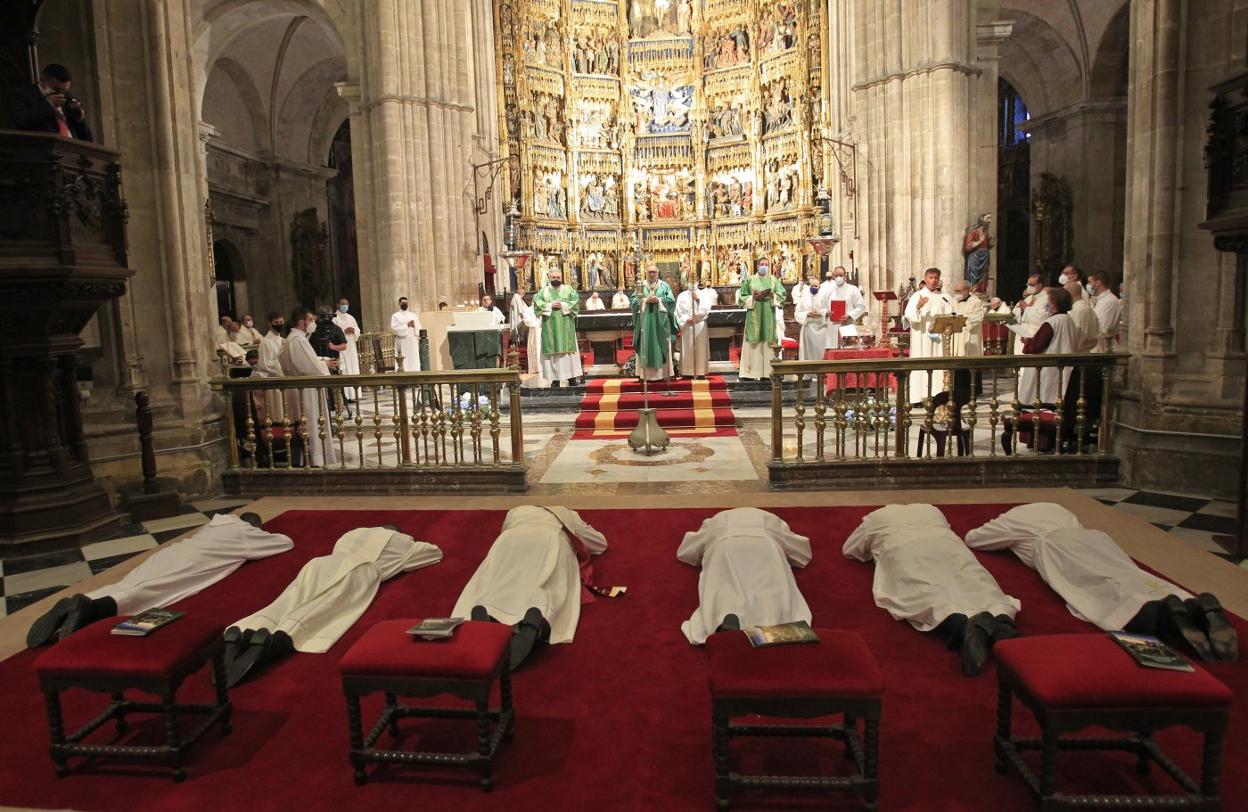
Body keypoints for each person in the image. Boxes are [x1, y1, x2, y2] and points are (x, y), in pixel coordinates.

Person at [964, 503, 1238, 662]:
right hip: (1096, 539)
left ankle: (1165, 614)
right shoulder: (1057, 507)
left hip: (1058, 547)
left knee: (1100, 590)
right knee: (1129, 574)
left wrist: (1000, 525)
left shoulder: (1013, 520)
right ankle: (1193, 604)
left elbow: (974, 539)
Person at [25, 513, 291, 647]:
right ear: (251, 525)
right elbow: (284, 544)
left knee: (134, 583)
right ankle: (92, 609)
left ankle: (83, 602)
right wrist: (258, 531)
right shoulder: (245, 532)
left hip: (172, 554)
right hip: (191, 565)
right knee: (152, 593)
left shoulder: (214, 524)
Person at [225, 525, 443, 685]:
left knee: (289, 599)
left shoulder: (352, 533)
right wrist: (410, 543)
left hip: (321, 564)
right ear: (396, 531)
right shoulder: (401, 541)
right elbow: (433, 553)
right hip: (359, 568)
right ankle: (281, 639)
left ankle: (247, 630)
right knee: (324, 606)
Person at [844, 504, 1020, 676]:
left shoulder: (876, 518)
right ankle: (1001, 621)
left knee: (925, 591)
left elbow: (851, 550)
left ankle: (961, 626)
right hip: (946, 543)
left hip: (904, 547)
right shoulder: (931, 509)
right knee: (973, 580)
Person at [451, 506, 613, 669]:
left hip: (510, 540)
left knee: (497, 580)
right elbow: (599, 544)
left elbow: (504, 529)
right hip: (550, 540)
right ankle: (537, 622)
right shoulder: (567, 514)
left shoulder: (515, 511)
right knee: (546, 586)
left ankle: (489, 612)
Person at [677, 508, 812, 645]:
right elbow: (802, 555)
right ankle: (773, 625)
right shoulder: (772, 520)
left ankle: (722, 618)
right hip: (765, 544)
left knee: (724, 587)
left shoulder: (717, 520)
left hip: (725, 544)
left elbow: (686, 551)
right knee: (771, 589)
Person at [280, 306, 338, 467]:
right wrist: (324, 365)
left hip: (301, 387)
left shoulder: (293, 338)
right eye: (311, 320)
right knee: (311, 422)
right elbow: (309, 367)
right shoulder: (297, 340)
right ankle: (315, 458)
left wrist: (321, 361)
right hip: (306, 389)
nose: (313, 323)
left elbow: (307, 361)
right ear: (301, 322)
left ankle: (307, 457)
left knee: (307, 423)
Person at [902, 267, 956, 403]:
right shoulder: (917, 296)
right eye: (931, 278)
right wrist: (918, 307)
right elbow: (909, 316)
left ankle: (938, 395)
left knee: (937, 364)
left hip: (938, 337)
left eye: (936, 278)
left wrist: (944, 322)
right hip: (923, 337)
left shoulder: (944, 298)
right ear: (925, 279)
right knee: (923, 362)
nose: (933, 280)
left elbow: (952, 316)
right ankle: (920, 397)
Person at [1018, 287, 1076, 406]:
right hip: (1062, 365)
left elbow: (1036, 348)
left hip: (1048, 367)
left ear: (1054, 304)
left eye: (1048, 302)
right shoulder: (1068, 319)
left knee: (1041, 398)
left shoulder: (1052, 322)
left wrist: (1029, 342)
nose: (1047, 305)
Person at [9, 63, 93, 141]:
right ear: (44, 81)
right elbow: (21, 121)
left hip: (71, 150)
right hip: (42, 149)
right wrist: (49, 105)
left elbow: (86, 138)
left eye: (64, 91)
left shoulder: (67, 97)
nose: (60, 94)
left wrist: (79, 120)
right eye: (56, 89)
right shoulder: (22, 94)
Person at [736, 258, 786, 380]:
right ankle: (751, 373)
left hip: (769, 316)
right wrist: (753, 297)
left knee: (768, 343)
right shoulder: (750, 280)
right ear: (757, 265)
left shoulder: (774, 281)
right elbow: (741, 298)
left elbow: (783, 295)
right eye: (762, 264)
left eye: (766, 265)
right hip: (754, 315)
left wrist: (771, 295)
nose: (764, 266)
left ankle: (768, 372)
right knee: (754, 343)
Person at [533, 269, 583, 387]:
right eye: (553, 277)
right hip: (550, 328)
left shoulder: (569, 289)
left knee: (569, 354)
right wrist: (550, 305)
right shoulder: (543, 292)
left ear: (561, 277)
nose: (556, 279)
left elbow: (576, 301)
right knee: (552, 355)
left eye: (558, 277)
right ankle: (554, 379)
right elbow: (537, 302)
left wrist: (563, 305)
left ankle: (571, 378)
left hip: (566, 328)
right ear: (549, 278)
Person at [631, 263, 677, 382]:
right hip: (645, 323)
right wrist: (645, 300)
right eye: (649, 272)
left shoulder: (664, 286)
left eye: (654, 272)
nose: (652, 274)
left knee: (660, 343)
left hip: (660, 323)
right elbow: (633, 302)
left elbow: (671, 302)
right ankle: (644, 375)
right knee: (645, 343)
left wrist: (659, 300)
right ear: (646, 273)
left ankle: (661, 375)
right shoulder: (640, 286)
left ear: (657, 273)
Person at [675, 279, 717, 378]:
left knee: (700, 349)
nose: (692, 282)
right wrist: (686, 319)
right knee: (688, 349)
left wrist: (698, 300)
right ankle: (687, 372)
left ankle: (700, 372)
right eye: (690, 279)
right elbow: (678, 311)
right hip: (688, 326)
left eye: (694, 279)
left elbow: (707, 309)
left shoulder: (704, 294)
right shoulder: (682, 295)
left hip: (699, 324)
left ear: (697, 281)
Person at [820, 265, 867, 350]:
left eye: (841, 275)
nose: (838, 277)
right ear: (833, 277)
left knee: (848, 352)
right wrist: (827, 312)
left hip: (847, 325)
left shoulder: (853, 289)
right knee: (832, 352)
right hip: (832, 327)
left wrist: (849, 315)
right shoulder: (828, 290)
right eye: (836, 275)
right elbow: (821, 307)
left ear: (845, 276)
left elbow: (861, 306)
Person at [332, 298, 361, 398]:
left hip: (351, 347)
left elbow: (357, 329)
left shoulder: (351, 317)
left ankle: (354, 394)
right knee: (344, 368)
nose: (345, 306)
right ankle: (345, 396)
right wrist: (343, 332)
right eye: (343, 304)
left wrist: (354, 330)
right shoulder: (334, 318)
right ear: (337, 305)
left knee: (352, 368)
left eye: (347, 304)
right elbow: (333, 333)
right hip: (342, 347)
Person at [1011, 274, 1046, 355]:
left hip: (1034, 335)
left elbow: (1042, 317)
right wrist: (1021, 310)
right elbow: (1015, 313)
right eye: (1028, 285)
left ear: (1040, 285)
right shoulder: (1029, 298)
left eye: (1031, 285)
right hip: (1022, 334)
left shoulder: (1047, 299)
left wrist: (1026, 309)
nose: (1029, 287)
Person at [1088, 271, 1122, 351]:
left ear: (1098, 283)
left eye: (1090, 282)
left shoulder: (1110, 300)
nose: (1089, 285)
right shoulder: (1101, 300)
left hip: (1102, 347)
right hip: (1095, 345)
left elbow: (1103, 328)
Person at [951, 280, 985, 357]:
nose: (956, 293)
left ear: (966, 290)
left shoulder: (976, 302)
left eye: (958, 291)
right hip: (956, 337)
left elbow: (978, 318)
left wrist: (962, 321)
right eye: (955, 291)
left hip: (970, 337)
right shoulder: (953, 302)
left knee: (970, 359)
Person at [1064, 280, 1099, 352]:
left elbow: (1075, 336)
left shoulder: (1078, 310)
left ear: (1069, 294)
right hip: (1087, 352)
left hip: (1078, 355)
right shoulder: (1089, 309)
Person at [390, 296, 422, 371]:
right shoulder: (395, 316)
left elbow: (419, 327)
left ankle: (415, 374)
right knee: (404, 361)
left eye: (406, 303)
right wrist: (407, 325)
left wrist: (415, 326)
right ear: (399, 303)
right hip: (402, 341)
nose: (405, 304)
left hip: (412, 341)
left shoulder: (413, 315)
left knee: (413, 359)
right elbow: (394, 329)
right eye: (403, 302)